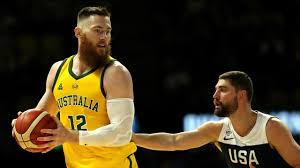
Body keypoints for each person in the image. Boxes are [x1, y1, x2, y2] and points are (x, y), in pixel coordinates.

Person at [11, 6, 138, 168]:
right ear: (78, 33)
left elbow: (122, 133)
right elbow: (41, 119)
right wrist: (24, 126)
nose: (104, 36)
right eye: (97, 30)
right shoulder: (58, 70)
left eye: (108, 31)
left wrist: (71, 136)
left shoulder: (116, 73)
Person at [132, 71, 300, 168]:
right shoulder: (217, 130)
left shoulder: (271, 128)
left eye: (222, 90)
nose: (215, 96)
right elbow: (173, 141)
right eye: (215, 90)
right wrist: (132, 138)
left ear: (241, 95)